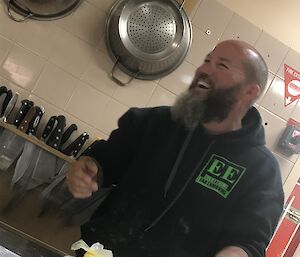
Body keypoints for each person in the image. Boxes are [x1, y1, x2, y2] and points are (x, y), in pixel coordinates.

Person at [66, 40, 284, 257]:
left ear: (249, 92)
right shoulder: (154, 122)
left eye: (222, 65)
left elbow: (250, 242)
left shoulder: (262, 170)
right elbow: (105, 161)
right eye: (207, 60)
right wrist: (89, 167)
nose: (204, 69)